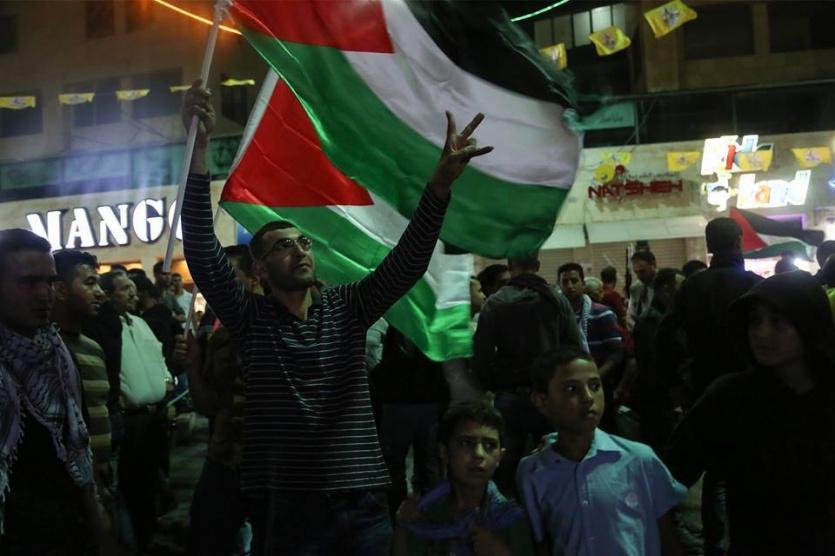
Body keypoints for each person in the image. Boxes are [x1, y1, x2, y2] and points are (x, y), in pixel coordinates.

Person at [180, 79, 493, 555]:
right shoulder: (250, 319)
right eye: (283, 246)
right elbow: (203, 253)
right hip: (288, 506)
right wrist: (199, 150)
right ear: (260, 270)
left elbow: (407, 263)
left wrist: (438, 189)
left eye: (303, 242)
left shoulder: (347, 307)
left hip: (361, 502)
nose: (300, 250)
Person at [664, 271, 835, 554]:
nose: (762, 333)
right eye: (755, 321)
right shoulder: (731, 397)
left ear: (808, 323)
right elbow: (667, 476)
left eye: (777, 321)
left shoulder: (827, 396)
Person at [518, 347, 686, 556]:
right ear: (542, 401)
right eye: (571, 389)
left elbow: (668, 538)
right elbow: (542, 543)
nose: (588, 397)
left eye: (595, 386)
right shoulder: (532, 471)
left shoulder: (639, 459)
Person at [0, 229, 100, 555]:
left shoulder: (58, 355)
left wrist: (96, 520)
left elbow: (77, 443)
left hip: (67, 531)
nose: (45, 294)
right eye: (28, 282)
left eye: (50, 282)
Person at [472, 253, 583, 496]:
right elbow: (575, 349)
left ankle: (509, 515)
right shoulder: (556, 299)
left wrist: (495, 385)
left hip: (510, 397)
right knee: (556, 460)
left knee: (506, 466)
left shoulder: (496, 302)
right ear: (538, 265)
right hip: (550, 395)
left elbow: (481, 355)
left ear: (511, 266)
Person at [187, 245, 258, 556]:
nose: (216, 284)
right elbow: (209, 405)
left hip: (272, 464)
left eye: (227, 275)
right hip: (224, 460)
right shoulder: (219, 333)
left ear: (254, 277)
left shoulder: (277, 322)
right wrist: (192, 364)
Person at [393, 402, 534, 556]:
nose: (479, 454)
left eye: (490, 445)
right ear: (444, 452)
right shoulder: (424, 513)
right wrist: (402, 529)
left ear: (499, 457)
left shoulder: (511, 521)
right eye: (466, 443)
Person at [100, 270, 173, 552]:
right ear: (108, 296)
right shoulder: (105, 329)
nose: (133, 292)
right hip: (132, 421)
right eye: (124, 289)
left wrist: (167, 380)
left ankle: (150, 535)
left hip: (156, 416)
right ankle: (139, 542)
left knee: (152, 482)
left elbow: (158, 356)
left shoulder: (141, 323)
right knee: (133, 487)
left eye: (132, 287)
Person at [52, 250, 112, 495]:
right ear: (61, 290)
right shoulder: (45, 351)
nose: (100, 292)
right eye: (89, 283)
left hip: (102, 474)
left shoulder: (93, 348)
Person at [372, 325, 447, 521]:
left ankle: (398, 518)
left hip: (399, 400)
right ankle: (431, 519)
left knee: (395, 468)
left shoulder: (400, 323)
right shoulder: (433, 321)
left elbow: (391, 361)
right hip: (428, 399)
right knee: (429, 466)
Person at [631, 268, 683, 451]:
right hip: (659, 402)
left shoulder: (669, 317)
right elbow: (653, 365)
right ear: (665, 290)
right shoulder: (651, 321)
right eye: (680, 288)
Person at [627, 251, 657, 329]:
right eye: (636, 272)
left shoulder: (667, 285)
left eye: (642, 271)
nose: (639, 276)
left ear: (653, 265)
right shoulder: (636, 288)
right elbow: (631, 315)